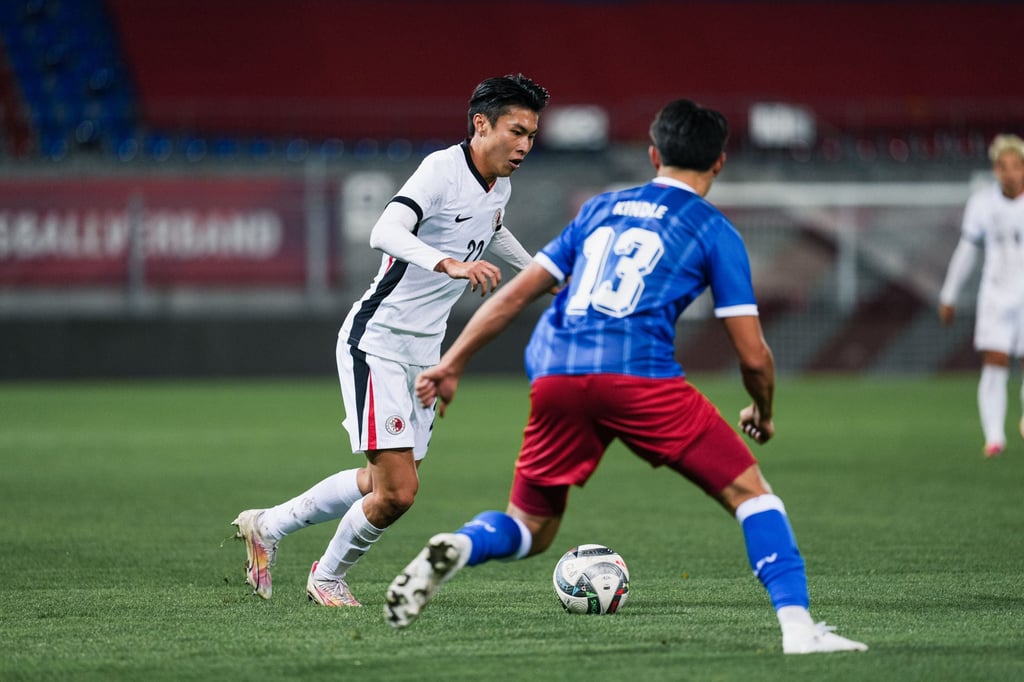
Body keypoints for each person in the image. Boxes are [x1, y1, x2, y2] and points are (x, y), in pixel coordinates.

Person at [384, 99, 868, 655]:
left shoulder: (601, 208)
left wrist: (453, 362)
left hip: (557, 373)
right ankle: (800, 631)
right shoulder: (714, 230)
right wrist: (763, 409)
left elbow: (517, 294)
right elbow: (754, 357)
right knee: (753, 497)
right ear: (719, 163)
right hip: (639, 376)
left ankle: (462, 546)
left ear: (654, 153)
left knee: (531, 528)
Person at [231, 73, 550, 606]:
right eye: (516, 131)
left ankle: (267, 525)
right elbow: (385, 230)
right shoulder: (441, 169)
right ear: (481, 124)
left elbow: (491, 228)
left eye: (532, 136)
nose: (524, 145)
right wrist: (445, 262)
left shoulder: (500, 184)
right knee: (398, 491)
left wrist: (540, 273)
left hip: (425, 356)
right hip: (378, 341)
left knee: (381, 484)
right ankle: (327, 578)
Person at [939, 133, 1024, 458]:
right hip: (996, 294)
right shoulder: (982, 203)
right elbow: (966, 252)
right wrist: (949, 294)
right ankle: (994, 437)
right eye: (1003, 166)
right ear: (995, 169)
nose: (1010, 172)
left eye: (1016, 166)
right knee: (995, 360)